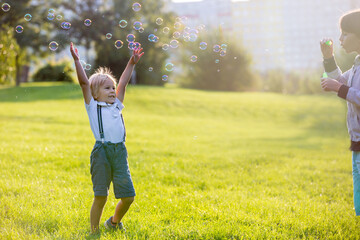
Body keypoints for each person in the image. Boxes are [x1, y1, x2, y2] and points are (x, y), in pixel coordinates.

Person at [70, 42, 144, 232]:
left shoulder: (117, 105)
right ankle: (94, 231)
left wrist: (132, 63)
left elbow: (123, 83)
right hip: (101, 152)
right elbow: (84, 83)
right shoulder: (93, 107)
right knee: (101, 196)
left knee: (128, 196)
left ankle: (113, 222)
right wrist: (77, 60)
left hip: (119, 152)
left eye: (112, 88)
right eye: (107, 88)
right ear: (95, 94)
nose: (112, 91)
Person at [320, 9, 360, 215]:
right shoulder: (356, 65)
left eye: (345, 33)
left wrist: (339, 89)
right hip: (357, 142)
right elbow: (339, 80)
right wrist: (328, 58)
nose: (340, 38)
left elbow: (341, 87)